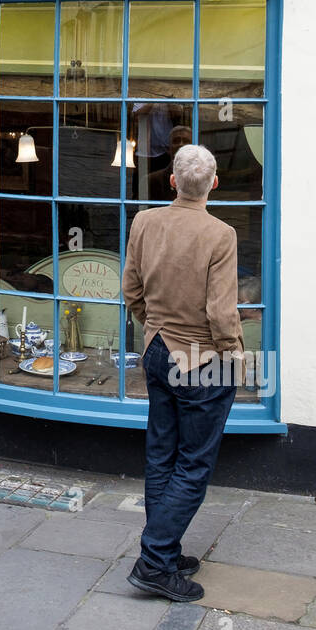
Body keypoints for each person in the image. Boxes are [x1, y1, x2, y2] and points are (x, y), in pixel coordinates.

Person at [120, 144, 244, 602]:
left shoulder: (145, 222)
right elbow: (221, 311)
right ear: (213, 184)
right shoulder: (221, 234)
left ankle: (165, 552)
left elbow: (130, 289)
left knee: (161, 454)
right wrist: (232, 354)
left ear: (171, 181)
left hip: (156, 349)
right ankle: (154, 561)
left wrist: (151, 327)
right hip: (200, 360)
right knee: (192, 465)